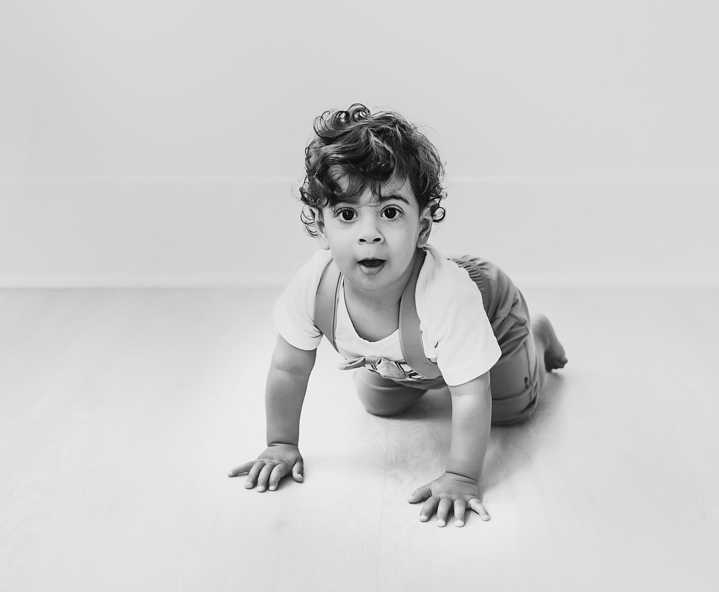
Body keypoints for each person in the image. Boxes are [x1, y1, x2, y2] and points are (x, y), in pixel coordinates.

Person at [228, 104, 567, 527]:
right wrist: (280, 443)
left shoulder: (448, 298)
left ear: (422, 227)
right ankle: (444, 365)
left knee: (509, 411)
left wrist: (462, 476)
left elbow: (469, 395)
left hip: (490, 313)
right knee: (377, 400)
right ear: (319, 225)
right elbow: (288, 368)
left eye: (390, 213)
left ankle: (535, 336)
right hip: (423, 349)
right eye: (347, 214)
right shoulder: (315, 287)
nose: (370, 233)